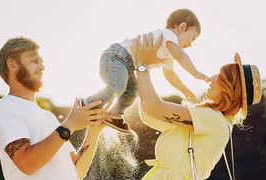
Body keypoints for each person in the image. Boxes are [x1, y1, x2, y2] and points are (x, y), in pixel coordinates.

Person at [133, 35, 262, 180]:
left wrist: (142, 65)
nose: (210, 79)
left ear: (230, 87)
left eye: (220, 76)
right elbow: (149, 114)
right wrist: (142, 71)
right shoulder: (211, 119)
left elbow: (154, 107)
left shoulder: (213, 120)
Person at [0, 37, 107, 180]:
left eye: (41, 61)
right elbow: (27, 163)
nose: (42, 66)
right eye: (34, 60)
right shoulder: (5, 108)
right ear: (13, 64)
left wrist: (94, 129)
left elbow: (77, 171)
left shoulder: (47, 117)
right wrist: (69, 125)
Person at [79, 8, 208, 133]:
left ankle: (114, 115)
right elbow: (180, 55)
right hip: (118, 56)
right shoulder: (168, 34)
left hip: (127, 67)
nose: (191, 44)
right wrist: (196, 73)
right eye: (192, 38)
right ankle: (87, 104)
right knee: (117, 87)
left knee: (133, 91)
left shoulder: (168, 54)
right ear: (182, 27)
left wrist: (185, 91)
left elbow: (170, 75)